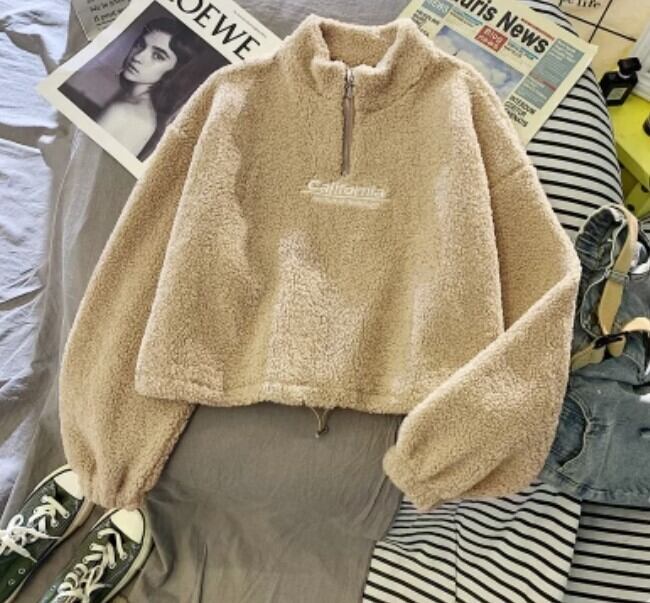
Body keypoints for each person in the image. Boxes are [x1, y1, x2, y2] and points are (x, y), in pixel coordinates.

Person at [96, 17, 197, 160]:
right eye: (140, 44)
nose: (138, 56)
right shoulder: (145, 113)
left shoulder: (122, 111)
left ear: (174, 71)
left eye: (157, 56)